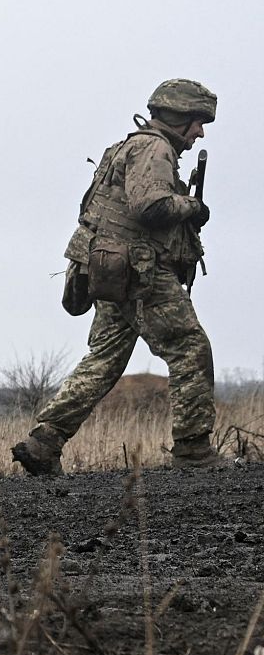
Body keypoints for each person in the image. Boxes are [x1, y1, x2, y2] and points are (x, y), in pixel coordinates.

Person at [13, 79, 229, 475]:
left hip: (113, 274)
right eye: (198, 123)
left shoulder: (131, 145)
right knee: (190, 347)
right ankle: (194, 451)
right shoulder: (154, 147)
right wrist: (193, 207)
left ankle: (43, 442)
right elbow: (151, 205)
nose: (199, 133)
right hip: (141, 275)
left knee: (104, 360)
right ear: (179, 117)